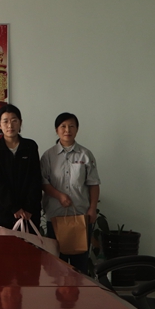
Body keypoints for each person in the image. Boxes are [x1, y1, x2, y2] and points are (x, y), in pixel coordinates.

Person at [41, 112, 100, 274]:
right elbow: (43, 182)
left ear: (77, 129)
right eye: (63, 126)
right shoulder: (48, 156)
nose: (67, 130)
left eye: (72, 126)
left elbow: (93, 183)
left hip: (80, 216)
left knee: (79, 266)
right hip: (55, 216)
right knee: (56, 266)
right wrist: (59, 196)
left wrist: (92, 208)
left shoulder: (85, 154)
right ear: (56, 130)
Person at [0, 104, 42, 232]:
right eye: (5, 121)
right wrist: (14, 207)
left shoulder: (30, 146)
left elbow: (35, 179)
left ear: (20, 123)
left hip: (29, 213)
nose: (10, 125)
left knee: (29, 244)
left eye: (14, 120)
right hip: (3, 212)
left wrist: (29, 208)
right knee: (4, 245)